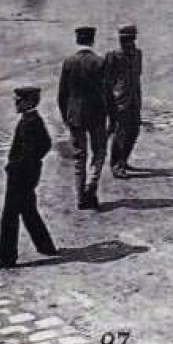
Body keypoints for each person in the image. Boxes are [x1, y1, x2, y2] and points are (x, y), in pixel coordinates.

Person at [0, 86, 58, 268]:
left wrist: (17, 166)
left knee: (10, 215)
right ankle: (46, 246)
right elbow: (45, 144)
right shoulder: (32, 119)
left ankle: (7, 258)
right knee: (29, 210)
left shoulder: (30, 122)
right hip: (27, 173)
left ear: (29, 102)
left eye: (19, 100)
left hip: (20, 176)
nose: (15, 103)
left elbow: (37, 148)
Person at [58, 26, 108, 209]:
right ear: (92, 41)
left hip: (75, 116)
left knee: (79, 157)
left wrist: (66, 116)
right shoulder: (99, 62)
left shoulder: (69, 62)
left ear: (77, 40)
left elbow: (62, 94)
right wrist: (110, 115)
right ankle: (91, 186)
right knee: (99, 151)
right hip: (96, 115)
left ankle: (80, 197)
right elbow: (107, 92)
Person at [103, 24, 144, 178]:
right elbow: (107, 81)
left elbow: (137, 76)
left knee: (134, 131)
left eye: (128, 38)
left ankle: (124, 159)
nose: (125, 41)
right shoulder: (113, 55)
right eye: (122, 39)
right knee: (120, 132)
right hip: (118, 100)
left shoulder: (138, 54)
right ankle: (116, 165)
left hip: (134, 99)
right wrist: (109, 103)